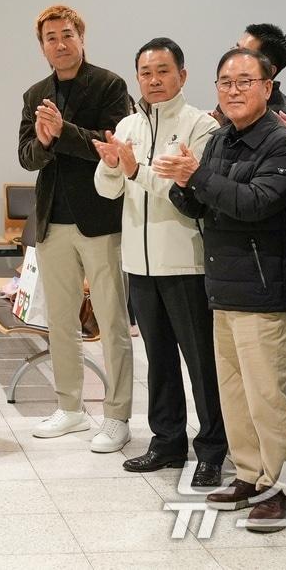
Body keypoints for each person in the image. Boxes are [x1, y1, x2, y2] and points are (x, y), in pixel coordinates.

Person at [163, 48, 286, 532]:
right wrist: (184, 184)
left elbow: (257, 202)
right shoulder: (221, 138)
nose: (234, 90)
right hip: (223, 286)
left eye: (245, 81)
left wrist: (197, 177)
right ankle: (248, 474)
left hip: (265, 289)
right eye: (225, 82)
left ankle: (280, 487)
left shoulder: (283, 143)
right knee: (236, 394)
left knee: (269, 396)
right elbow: (200, 204)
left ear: (268, 86)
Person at [93, 37, 224, 487]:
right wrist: (113, 165)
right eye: (145, 72)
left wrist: (134, 171)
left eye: (163, 70)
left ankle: (211, 448)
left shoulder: (201, 126)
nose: (153, 80)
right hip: (139, 263)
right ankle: (166, 441)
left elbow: (191, 195)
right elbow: (107, 191)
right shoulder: (128, 125)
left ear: (182, 75)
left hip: (185, 263)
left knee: (201, 363)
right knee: (159, 359)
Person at [17, 4, 134, 452]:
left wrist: (61, 131)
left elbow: (109, 146)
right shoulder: (34, 93)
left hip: (99, 220)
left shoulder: (108, 84)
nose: (60, 44)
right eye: (50, 37)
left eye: (67, 35)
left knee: (110, 319)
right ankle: (70, 408)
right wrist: (44, 140)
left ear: (81, 38)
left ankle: (117, 414)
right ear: (42, 45)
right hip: (52, 221)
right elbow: (26, 156)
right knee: (60, 321)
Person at [237, 23, 286, 118]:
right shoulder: (233, 96)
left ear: (269, 70)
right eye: (236, 49)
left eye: (244, 54)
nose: (232, 59)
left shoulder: (280, 117)